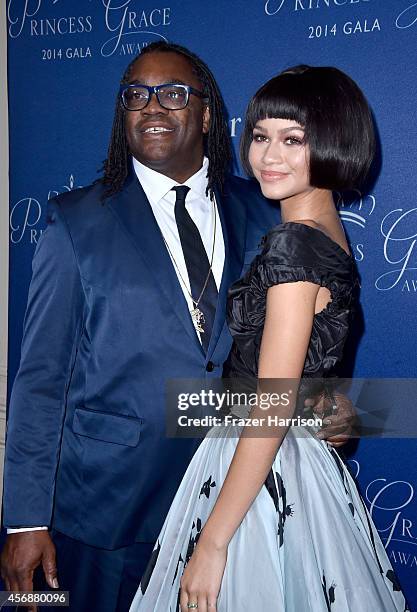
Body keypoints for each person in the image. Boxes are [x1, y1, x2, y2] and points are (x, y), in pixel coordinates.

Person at [1, 45, 354, 612]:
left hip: (237, 505)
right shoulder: (73, 220)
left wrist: (334, 404)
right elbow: (40, 380)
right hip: (107, 513)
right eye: (135, 95)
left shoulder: (271, 210)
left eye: (173, 93)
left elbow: (297, 347)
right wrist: (22, 520)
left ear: (208, 114)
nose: (152, 107)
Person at [129, 66, 408, 611]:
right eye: (260, 136)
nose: (268, 156)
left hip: (260, 467)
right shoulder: (330, 235)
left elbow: (273, 404)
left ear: (333, 143)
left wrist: (211, 542)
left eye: (293, 140)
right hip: (300, 468)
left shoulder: (294, 246)